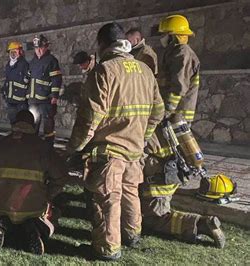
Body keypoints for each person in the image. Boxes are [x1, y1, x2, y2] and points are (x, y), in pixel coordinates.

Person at [66, 22, 164, 260]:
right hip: (135, 149)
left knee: (108, 199)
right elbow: (158, 112)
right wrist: (143, 137)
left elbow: (90, 119)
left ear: (102, 44)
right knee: (131, 191)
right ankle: (132, 234)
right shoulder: (145, 70)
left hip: (109, 151)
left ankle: (107, 249)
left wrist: (74, 148)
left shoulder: (104, 71)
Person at [139, 14, 225, 249]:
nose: (162, 40)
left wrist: (163, 112)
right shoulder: (175, 54)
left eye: (165, 36)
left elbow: (177, 89)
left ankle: (200, 224)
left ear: (174, 36)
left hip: (173, 119)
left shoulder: (182, 54)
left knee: (153, 219)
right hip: (171, 121)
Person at [0, 110, 67, 255]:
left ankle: (4, 224)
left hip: (1, 204)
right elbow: (61, 177)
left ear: (15, 124)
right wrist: (48, 195)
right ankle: (36, 229)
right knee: (54, 214)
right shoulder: (43, 148)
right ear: (33, 126)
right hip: (34, 206)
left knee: (6, 212)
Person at [158, 14, 200, 124]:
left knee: (178, 142)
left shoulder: (182, 53)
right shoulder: (174, 52)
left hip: (177, 114)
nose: (162, 37)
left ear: (173, 36)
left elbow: (179, 85)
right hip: (174, 113)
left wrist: (168, 109)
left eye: (164, 34)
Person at [27, 34, 62, 145]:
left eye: (41, 48)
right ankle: (34, 145)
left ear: (46, 47)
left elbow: (56, 79)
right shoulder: (32, 62)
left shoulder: (51, 60)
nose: (38, 50)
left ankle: (49, 146)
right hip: (33, 99)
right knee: (33, 123)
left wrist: (54, 95)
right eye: (36, 48)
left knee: (48, 123)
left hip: (46, 98)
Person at [2, 41, 29, 124]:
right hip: (10, 100)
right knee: (13, 122)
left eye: (15, 51)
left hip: (21, 101)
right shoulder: (8, 65)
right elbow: (7, 80)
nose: (13, 54)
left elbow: (28, 80)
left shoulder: (24, 64)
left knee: (22, 123)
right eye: (11, 52)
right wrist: (4, 92)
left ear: (20, 52)